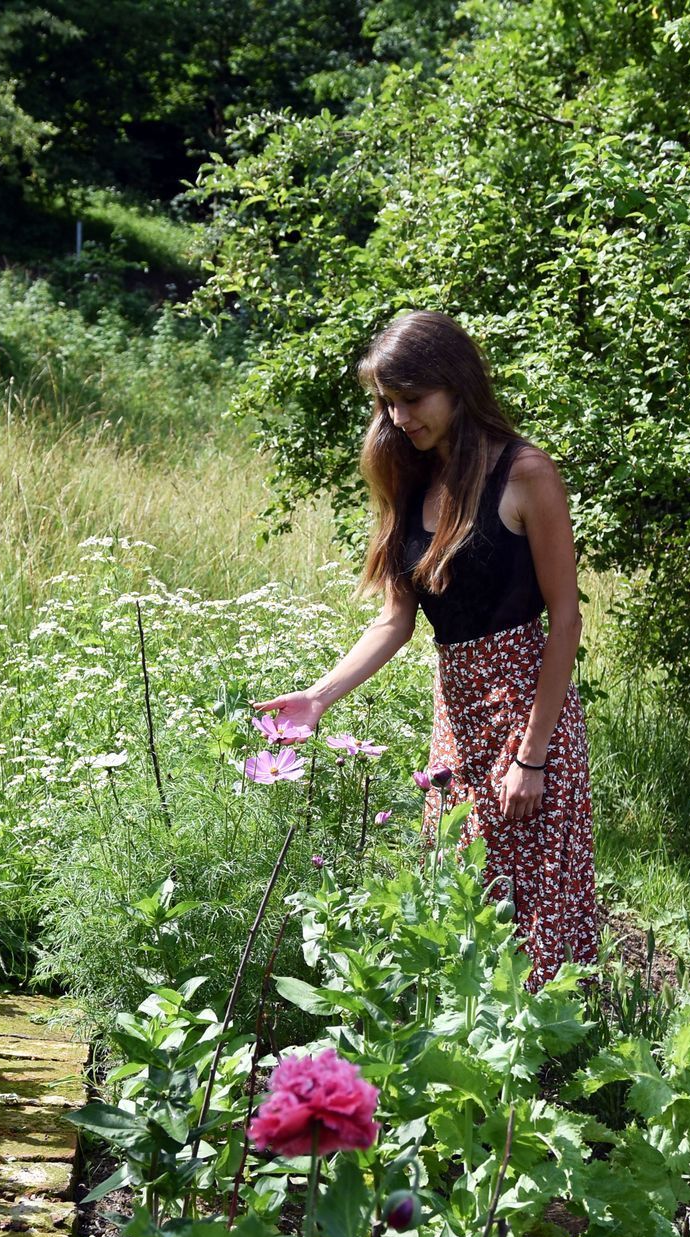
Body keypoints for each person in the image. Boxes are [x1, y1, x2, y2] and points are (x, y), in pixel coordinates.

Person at [254, 309, 598, 987]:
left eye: (412, 399)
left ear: (456, 384)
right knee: (459, 896)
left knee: (534, 905)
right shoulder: (409, 482)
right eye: (389, 402)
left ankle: (547, 1047)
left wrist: (532, 755)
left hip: (529, 712)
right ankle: (462, 1043)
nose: (400, 417)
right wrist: (319, 698)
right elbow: (396, 620)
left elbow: (565, 621)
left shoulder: (524, 472)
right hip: (456, 718)